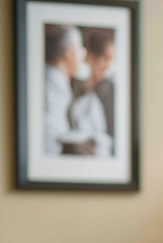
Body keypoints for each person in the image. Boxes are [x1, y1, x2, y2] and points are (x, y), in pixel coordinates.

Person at [43, 25, 98, 156]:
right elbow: (51, 130)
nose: (83, 56)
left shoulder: (59, 79)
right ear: (69, 54)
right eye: (80, 50)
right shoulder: (53, 81)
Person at [68, 29, 114, 158]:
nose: (108, 65)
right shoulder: (74, 85)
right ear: (90, 57)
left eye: (111, 60)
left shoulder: (110, 90)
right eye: (105, 58)